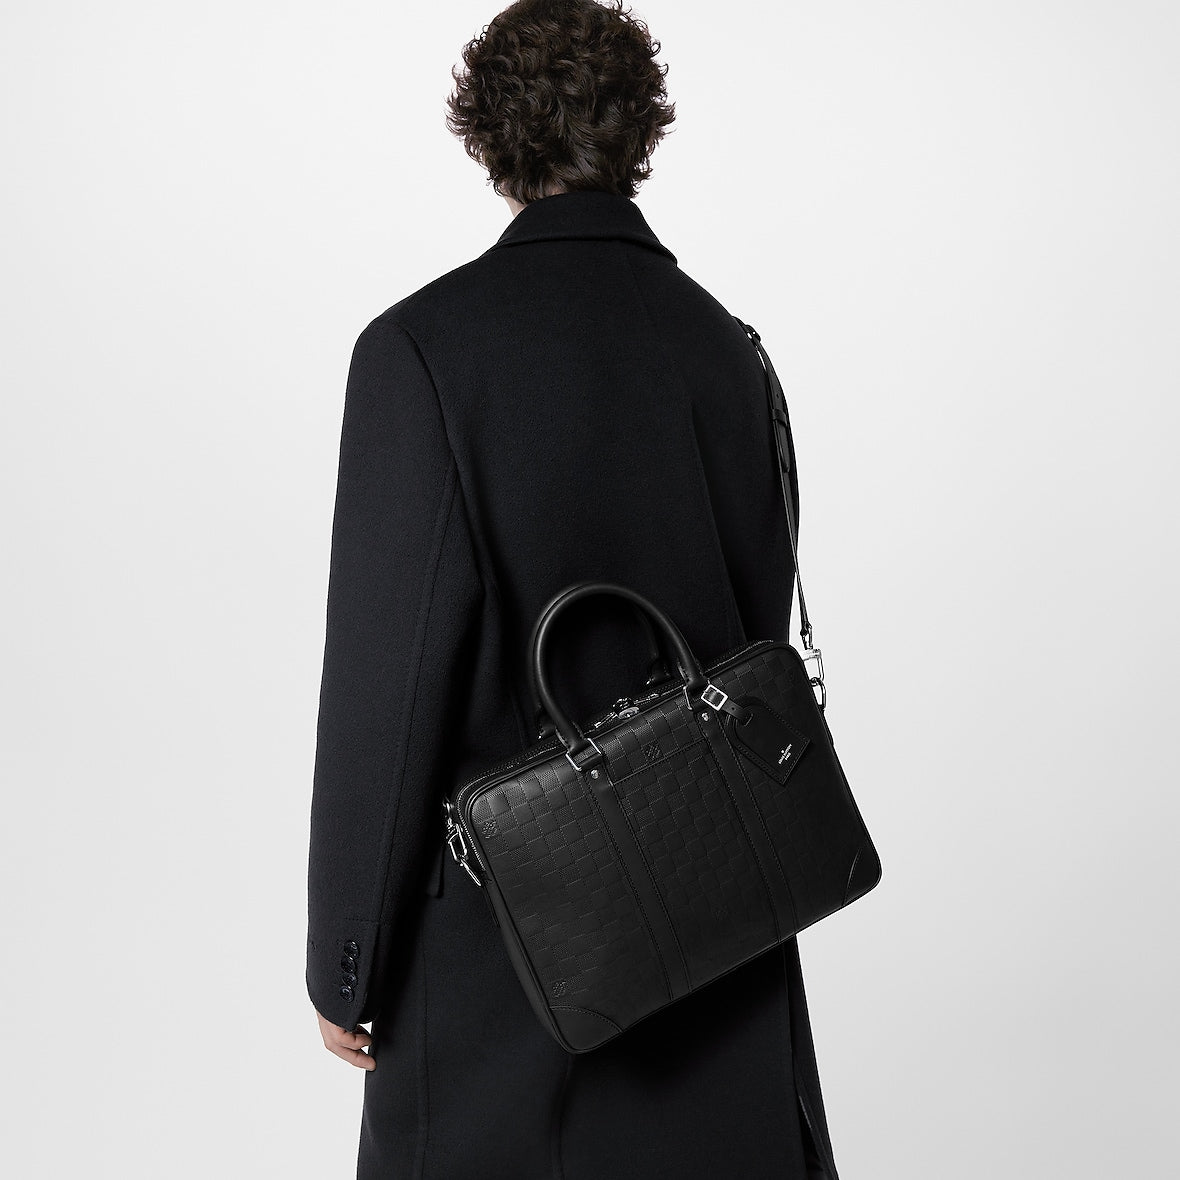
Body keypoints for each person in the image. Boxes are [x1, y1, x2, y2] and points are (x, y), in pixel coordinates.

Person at [307, 1, 842, 1176]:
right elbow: (752, 649)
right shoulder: (729, 352)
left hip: (499, 974)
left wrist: (348, 958)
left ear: (489, 136)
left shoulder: (420, 352)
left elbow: (387, 692)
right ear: (639, 133)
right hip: (719, 954)